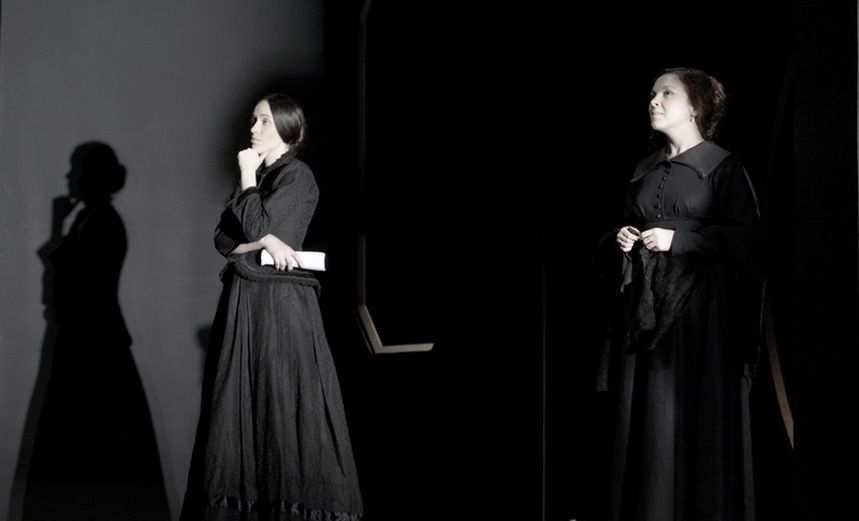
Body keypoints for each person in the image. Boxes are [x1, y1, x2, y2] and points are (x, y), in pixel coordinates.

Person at [181, 94, 363, 521]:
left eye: (263, 121)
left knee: (279, 403)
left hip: (279, 305)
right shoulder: (263, 178)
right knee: (240, 407)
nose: (253, 129)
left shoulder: (296, 176)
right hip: (247, 300)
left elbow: (253, 226)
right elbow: (223, 242)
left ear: (286, 129)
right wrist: (264, 239)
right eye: (253, 120)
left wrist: (250, 192)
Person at [606, 68, 763, 521]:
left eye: (667, 93)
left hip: (699, 314)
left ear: (695, 107)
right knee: (647, 415)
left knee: (691, 413)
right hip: (646, 308)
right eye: (652, 93)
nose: (653, 100)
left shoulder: (722, 166)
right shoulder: (643, 169)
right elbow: (619, 226)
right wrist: (620, 238)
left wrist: (681, 240)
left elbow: (749, 241)